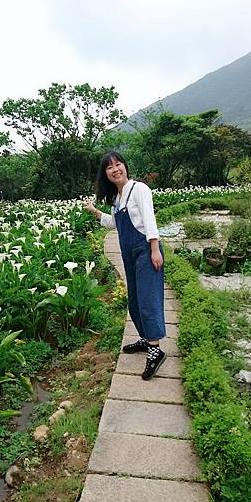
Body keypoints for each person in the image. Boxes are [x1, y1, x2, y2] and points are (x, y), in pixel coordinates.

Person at [86, 151, 166, 380]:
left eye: (118, 164)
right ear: (106, 175)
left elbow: (149, 219)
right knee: (135, 300)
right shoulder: (118, 198)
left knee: (148, 299)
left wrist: (154, 249)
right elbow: (113, 223)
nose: (115, 169)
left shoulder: (138, 189)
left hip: (145, 250)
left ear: (125, 166)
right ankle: (146, 337)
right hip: (129, 255)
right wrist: (95, 211)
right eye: (109, 167)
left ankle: (155, 350)